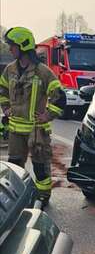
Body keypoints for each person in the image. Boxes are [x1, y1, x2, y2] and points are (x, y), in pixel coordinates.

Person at [0, 27, 65, 206]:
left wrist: (47, 115)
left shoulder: (43, 72)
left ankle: (42, 197)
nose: (10, 49)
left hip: (37, 132)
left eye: (12, 46)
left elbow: (60, 96)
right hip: (15, 130)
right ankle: (14, 200)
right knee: (14, 169)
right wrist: (5, 108)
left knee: (40, 167)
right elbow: (2, 90)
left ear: (23, 46)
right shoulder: (10, 70)